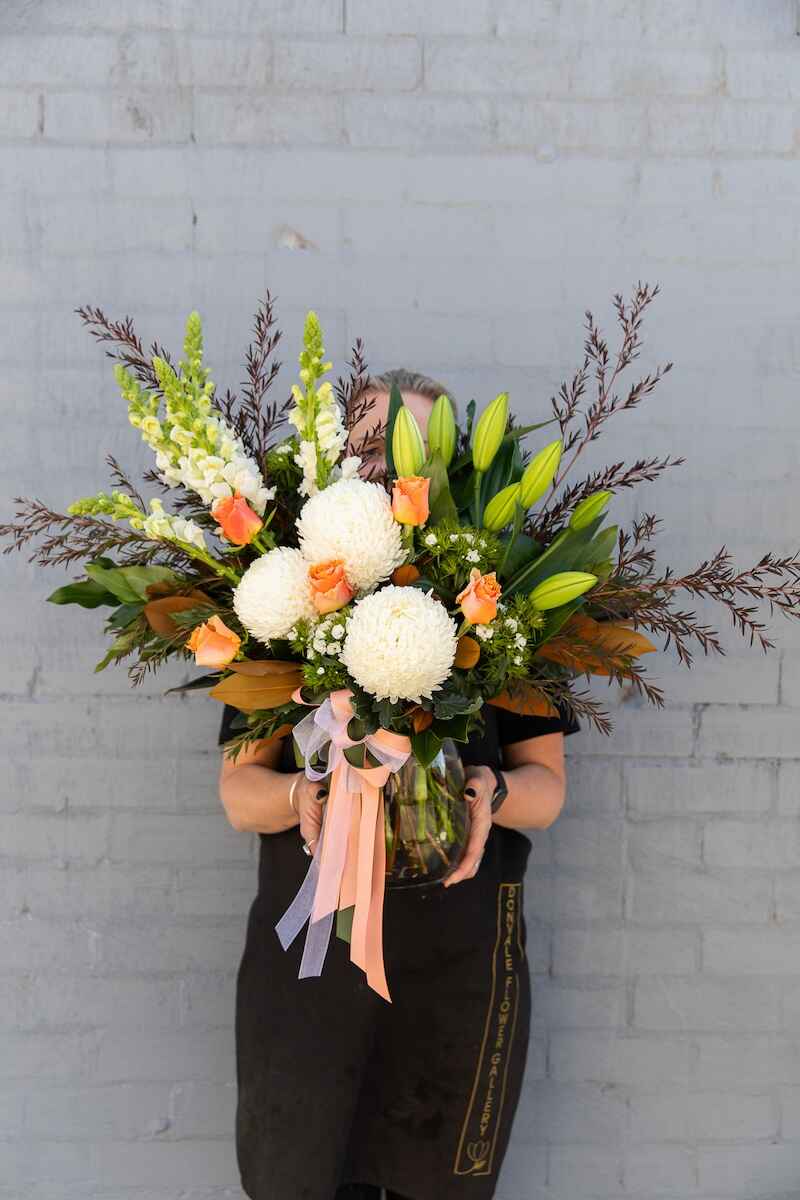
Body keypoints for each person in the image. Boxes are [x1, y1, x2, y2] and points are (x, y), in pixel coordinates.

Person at [217, 369, 580, 1200]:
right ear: (338, 462)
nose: (386, 466)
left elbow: (549, 789)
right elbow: (240, 796)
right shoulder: (278, 603)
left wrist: (487, 791)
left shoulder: (505, 597)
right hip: (310, 967)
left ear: (450, 472)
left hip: (459, 965)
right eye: (369, 446)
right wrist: (305, 799)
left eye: (413, 450)